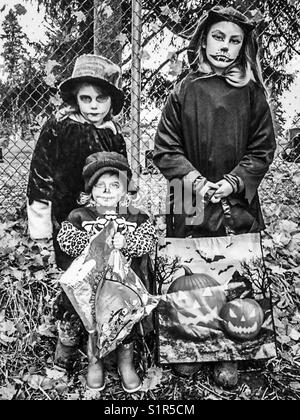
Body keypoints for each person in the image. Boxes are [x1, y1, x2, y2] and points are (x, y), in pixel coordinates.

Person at [153, 6, 276, 387]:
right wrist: (193, 179)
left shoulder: (252, 93)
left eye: (234, 40)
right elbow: (165, 148)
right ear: (204, 40)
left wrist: (236, 181)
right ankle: (191, 346)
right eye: (218, 37)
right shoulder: (183, 89)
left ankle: (230, 351)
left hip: (234, 199)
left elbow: (262, 149)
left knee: (234, 270)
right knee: (190, 272)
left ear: (243, 47)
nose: (225, 46)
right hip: (188, 195)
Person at [55, 151, 157, 393]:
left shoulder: (136, 217)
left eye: (114, 185)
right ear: (89, 190)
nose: (107, 191)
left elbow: (148, 240)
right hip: (90, 287)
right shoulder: (80, 216)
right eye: (99, 186)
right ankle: (95, 362)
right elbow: (65, 239)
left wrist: (128, 241)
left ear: (124, 190)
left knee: (124, 320)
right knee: (93, 323)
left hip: (122, 289)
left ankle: (126, 364)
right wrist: (92, 240)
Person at [27, 54, 128, 271]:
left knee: (103, 269)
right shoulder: (59, 127)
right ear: (75, 98)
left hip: (102, 215)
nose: (93, 106)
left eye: (100, 98)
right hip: (65, 217)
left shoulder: (113, 134)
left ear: (111, 100)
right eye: (86, 98)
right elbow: (40, 175)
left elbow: (123, 178)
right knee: (72, 270)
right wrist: (41, 225)